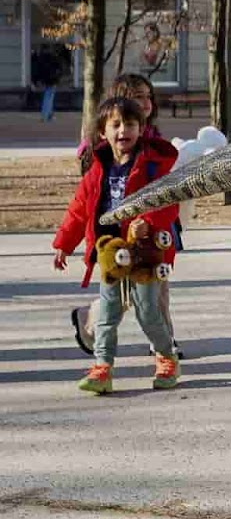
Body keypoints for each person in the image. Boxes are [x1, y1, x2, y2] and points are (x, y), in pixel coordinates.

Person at [53, 96, 182, 394]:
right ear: (103, 132)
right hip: (110, 252)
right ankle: (102, 367)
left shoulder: (152, 166)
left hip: (145, 254)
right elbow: (79, 209)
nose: (124, 130)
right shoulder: (98, 170)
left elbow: (168, 202)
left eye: (131, 124)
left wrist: (148, 223)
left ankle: (166, 358)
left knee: (148, 312)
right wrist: (63, 243)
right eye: (116, 125)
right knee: (108, 314)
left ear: (141, 129)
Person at [70, 73, 179, 358]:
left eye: (147, 96)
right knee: (120, 295)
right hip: (116, 240)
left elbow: (168, 194)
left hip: (152, 233)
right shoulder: (103, 153)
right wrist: (64, 242)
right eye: (137, 96)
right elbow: (83, 203)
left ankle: (164, 347)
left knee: (156, 288)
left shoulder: (153, 143)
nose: (145, 102)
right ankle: (95, 328)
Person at [32, 43, 68, 122]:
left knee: (47, 96)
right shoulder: (53, 57)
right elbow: (59, 68)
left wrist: (36, 81)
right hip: (52, 80)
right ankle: (46, 115)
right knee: (49, 97)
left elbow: (37, 70)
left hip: (45, 80)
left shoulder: (40, 58)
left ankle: (48, 115)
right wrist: (58, 77)